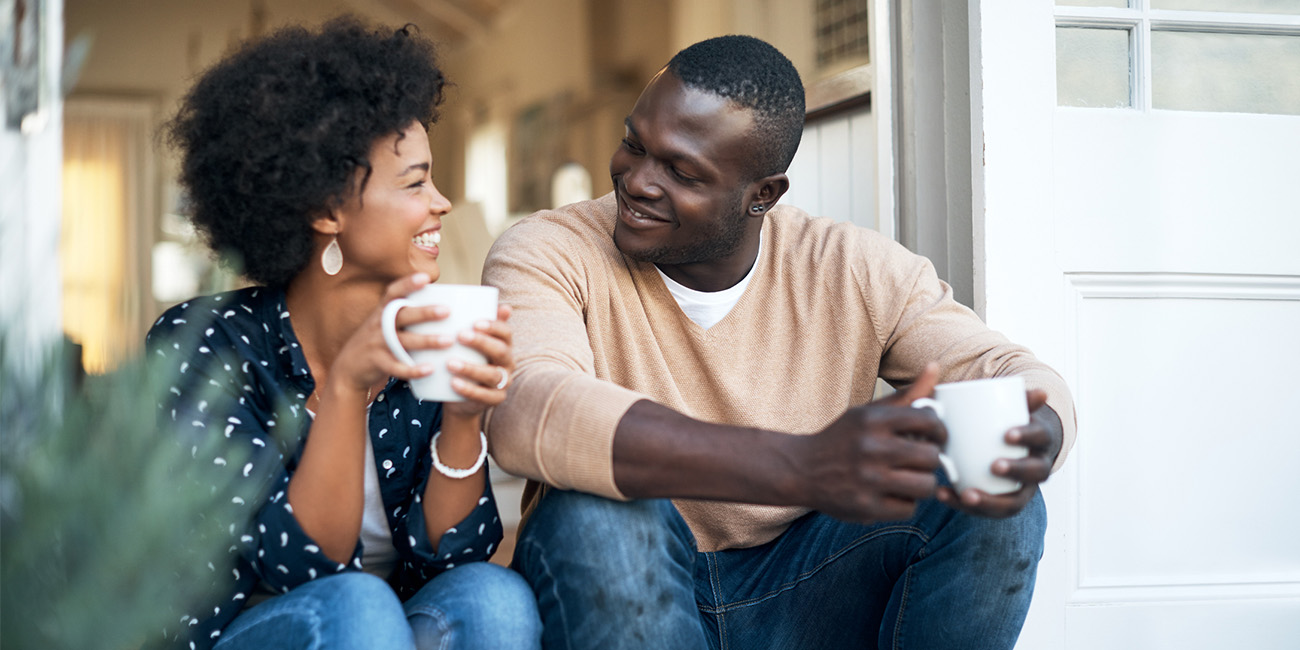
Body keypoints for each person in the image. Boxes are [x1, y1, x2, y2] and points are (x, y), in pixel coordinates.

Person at [482, 34, 1076, 649]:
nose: (637, 181)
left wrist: (1035, 430)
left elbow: (1007, 368)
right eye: (634, 144)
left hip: (804, 589)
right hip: (627, 578)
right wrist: (803, 466)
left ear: (762, 195)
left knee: (996, 498)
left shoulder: (853, 267)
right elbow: (528, 410)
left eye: (682, 171)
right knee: (595, 515)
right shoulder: (548, 248)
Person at [146, 17, 540, 650]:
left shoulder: (424, 336)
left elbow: (451, 562)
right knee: (356, 606)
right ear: (326, 210)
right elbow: (301, 566)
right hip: (256, 628)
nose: (441, 203)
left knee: (494, 598)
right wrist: (350, 386)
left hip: (385, 625)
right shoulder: (207, 345)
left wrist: (464, 418)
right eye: (415, 182)